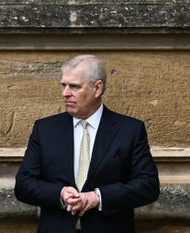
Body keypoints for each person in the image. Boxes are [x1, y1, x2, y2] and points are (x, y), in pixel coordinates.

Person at [14, 55, 160, 233]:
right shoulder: (45, 129)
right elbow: (23, 185)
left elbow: (148, 186)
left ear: (97, 88)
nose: (65, 93)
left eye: (74, 86)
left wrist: (98, 197)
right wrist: (59, 193)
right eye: (63, 85)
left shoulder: (129, 130)